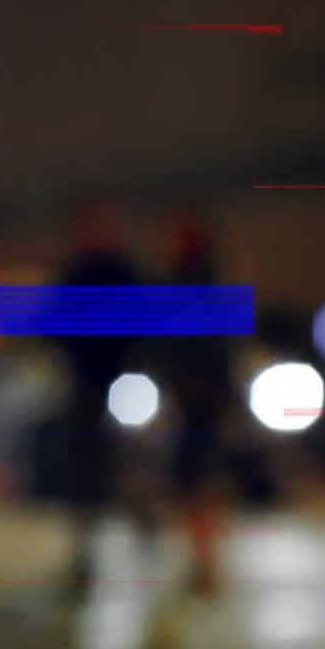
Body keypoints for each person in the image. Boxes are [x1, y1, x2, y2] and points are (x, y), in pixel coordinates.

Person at [53, 197, 144, 593]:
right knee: (87, 473)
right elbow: (53, 324)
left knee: (124, 467)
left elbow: (143, 323)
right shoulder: (75, 272)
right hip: (86, 385)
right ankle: (84, 557)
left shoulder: (120, 271)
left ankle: (143, 537)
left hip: (121, 386)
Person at [159, 209, 233, 594]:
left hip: (196, 401)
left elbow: (199, 348)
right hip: (200, 399)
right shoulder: (204, 285)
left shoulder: (190, 286)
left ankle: (204, 562)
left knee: (195, 479)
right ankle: (202, 561)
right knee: (195, 479)